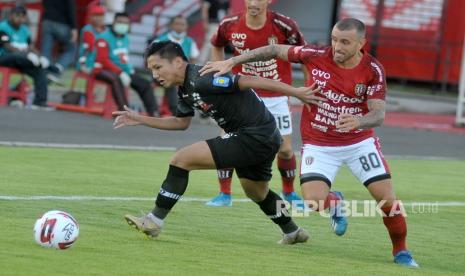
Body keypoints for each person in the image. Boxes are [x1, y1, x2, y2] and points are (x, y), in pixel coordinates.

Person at [200, 18, 419, 267]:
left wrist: (358, 121)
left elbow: (378, 114)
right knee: (314, 201)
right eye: (334, 39)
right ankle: (334, 202)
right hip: (320, 144)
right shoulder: (314, 55)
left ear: (361, 43)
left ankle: (401, 251)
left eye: (345, 42)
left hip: (359, 143)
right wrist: (233, 60)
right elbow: (275, 49)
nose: (337, 47)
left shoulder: (373, 69)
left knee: (387, 201)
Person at [112, 41, 324, 244]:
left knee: (181, 159)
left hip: (254, 135)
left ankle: (154, 221)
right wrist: (140, 119)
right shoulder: (184, 89)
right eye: (151, 70)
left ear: (177, 62)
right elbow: (180, 123)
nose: (155, 74)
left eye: (158, 67)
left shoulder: (203, 77)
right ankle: (293, 232)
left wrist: (296, 92)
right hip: (262, 137)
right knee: (256, 192)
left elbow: (248, 81)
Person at [205, 0, 307, 207]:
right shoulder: (229, 24)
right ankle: (224, 194)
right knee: (227, 142)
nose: (253, 3)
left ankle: (289, 193)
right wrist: (219, 73)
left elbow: (304, 55)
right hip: (241, 95)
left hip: (276, 96)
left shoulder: (284, 25)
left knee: (285, 149)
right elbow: (216, 44)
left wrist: (308, 86)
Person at [95, 12, 158, 116]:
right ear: (114, 22)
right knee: (116, 79)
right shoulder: (103, 37)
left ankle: (153, 112)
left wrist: (129, 70)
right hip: (102, 70)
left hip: (122, 71)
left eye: (125, 23)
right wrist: (120, 72)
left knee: (145, 83)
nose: (122, 25)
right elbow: (103, 60)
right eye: (120, 22)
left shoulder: (125, 38)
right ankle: (124, 112)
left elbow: (124, 58)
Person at [0, 6, 52, 110]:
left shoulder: (25, 30)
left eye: (22, 17)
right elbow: (8, 47)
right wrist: (27, 55)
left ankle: (40, 102)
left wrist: (40, 57)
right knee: (16, 56)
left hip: (22, 61)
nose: (19, 19)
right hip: (4, 57)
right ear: (11, 16)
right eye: (17, 16)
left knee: (39, 69)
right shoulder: (3, 27)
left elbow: (31, 47)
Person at [149, 15, 200, 116]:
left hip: (182, 75)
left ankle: (204, 111)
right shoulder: (160, 41)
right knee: (172, 79)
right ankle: (174, 110)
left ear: (186, 27)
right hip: (161, 74)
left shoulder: (190, 42)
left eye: (183, 24)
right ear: (171, 25)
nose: (180, 26)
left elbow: (193, 61)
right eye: (177, 24)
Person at [40, 0, 78, 83]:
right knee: (71, 49)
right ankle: (57, 69)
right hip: (62, 22)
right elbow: (70, 9)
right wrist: (74, 27)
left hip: (47, 21)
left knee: (46, 53)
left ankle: (43, 77)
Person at [76, 5, 107, 73]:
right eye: (96, 15)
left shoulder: (106, 30)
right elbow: (89, 48)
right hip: (86, 63)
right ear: (90, 17)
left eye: (101, 15)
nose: (99, 18)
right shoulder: (87, 29)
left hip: (102, 63)